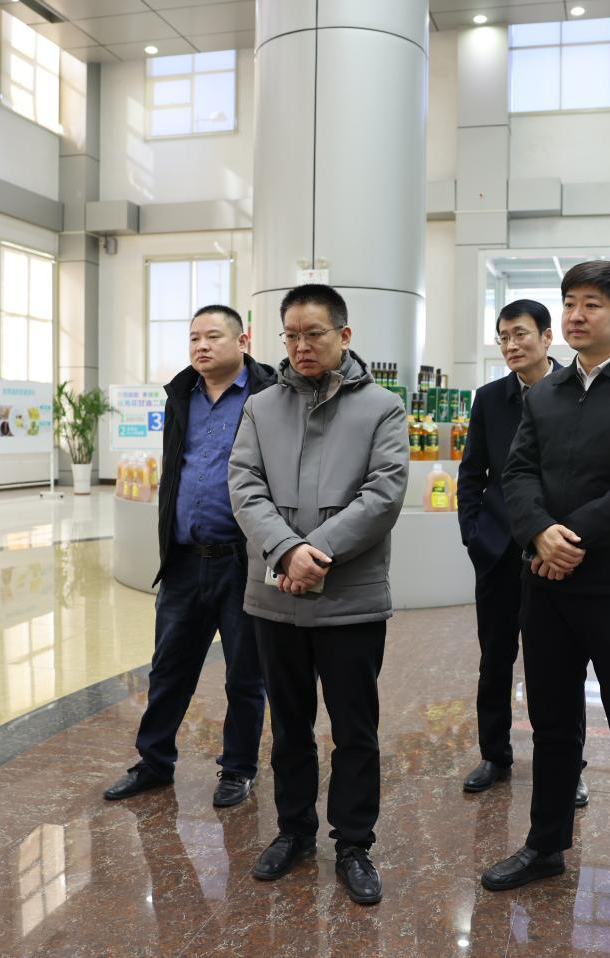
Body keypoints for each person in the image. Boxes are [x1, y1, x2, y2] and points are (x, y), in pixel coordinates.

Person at [482, 261, 610, 944]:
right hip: (546, 587)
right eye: (569, 303)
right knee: (551, 727)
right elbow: (515, 472)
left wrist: (568, 536)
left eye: (591, 304)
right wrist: (537, 533)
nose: (575, 315)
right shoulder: (546, 392)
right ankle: (545, 845)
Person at [227, 283, 408, 906]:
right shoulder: (261, 407)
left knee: (355, 729)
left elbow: (384, 493)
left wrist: (315, 552)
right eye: (292, 335)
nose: (301, 346)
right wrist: (286, 551)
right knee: (289, 725)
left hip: (351, 599)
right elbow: (244, 485)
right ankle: (294, 832)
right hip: (275, 597)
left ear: (344, 335)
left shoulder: (383, 407)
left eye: (315, 334)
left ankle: (354, 843)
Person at [103, 305, 275, 808]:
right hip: (183, 559)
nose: (201, 345)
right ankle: (154, 761)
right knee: (168, 669)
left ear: (242, 341)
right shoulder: (182, 394)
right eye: (194, 337)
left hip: (242, 562)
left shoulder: (269, 395)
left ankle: (238, 768)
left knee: (245, 674)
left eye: (213, 336)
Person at [456, 300, 587, 808]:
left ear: (547, 337)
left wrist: (569, 541)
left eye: (520, 334)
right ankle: (495, 755)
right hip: (497, 552)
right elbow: (473, 473)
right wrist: (474, 536)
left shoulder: (576, 392)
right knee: (495, 660)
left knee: (558, 668)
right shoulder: (491, 399)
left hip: (555, 554)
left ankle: (568, 766)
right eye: (503, 337)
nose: (511, 346)